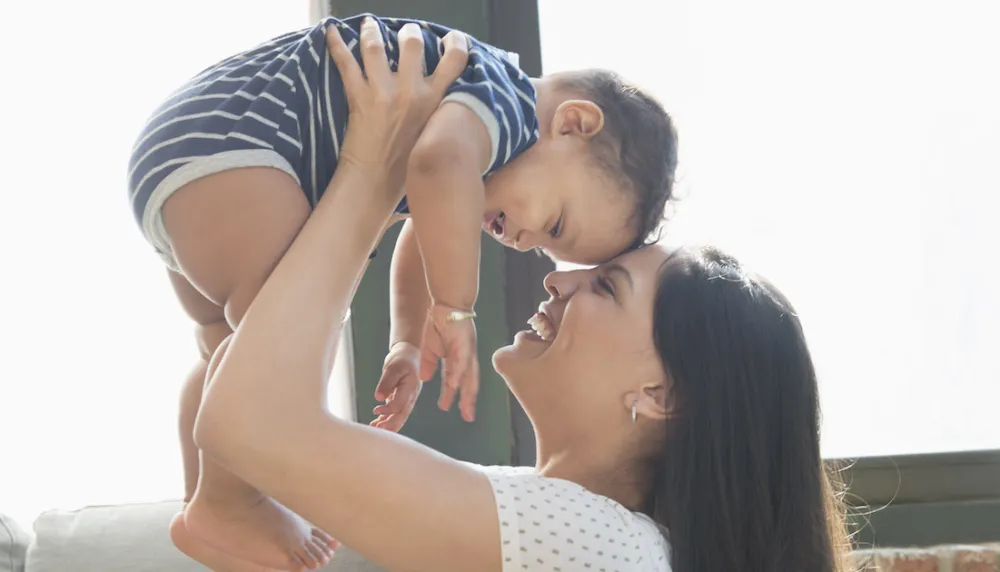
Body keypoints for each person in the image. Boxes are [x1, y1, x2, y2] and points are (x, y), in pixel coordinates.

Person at [184, 18, 850, 572]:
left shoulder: (602, 545)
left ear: (663, 395)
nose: (555, 277)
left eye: (607, 286)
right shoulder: (567, 526)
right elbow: (250, 422)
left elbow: (248, 423)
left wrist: (371, 163)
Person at [128, 12, 677, 570]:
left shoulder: (470, 131)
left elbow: (425, 217)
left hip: (189, 155)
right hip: (241, 152)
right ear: (575, 123)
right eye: (555, 225)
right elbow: (436, 168)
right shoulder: (502, 101)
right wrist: (457, 308)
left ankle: (208, 500)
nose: (527, 246)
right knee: (288, 334)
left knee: (228, 345)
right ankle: (231, 500)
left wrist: (407, 343)